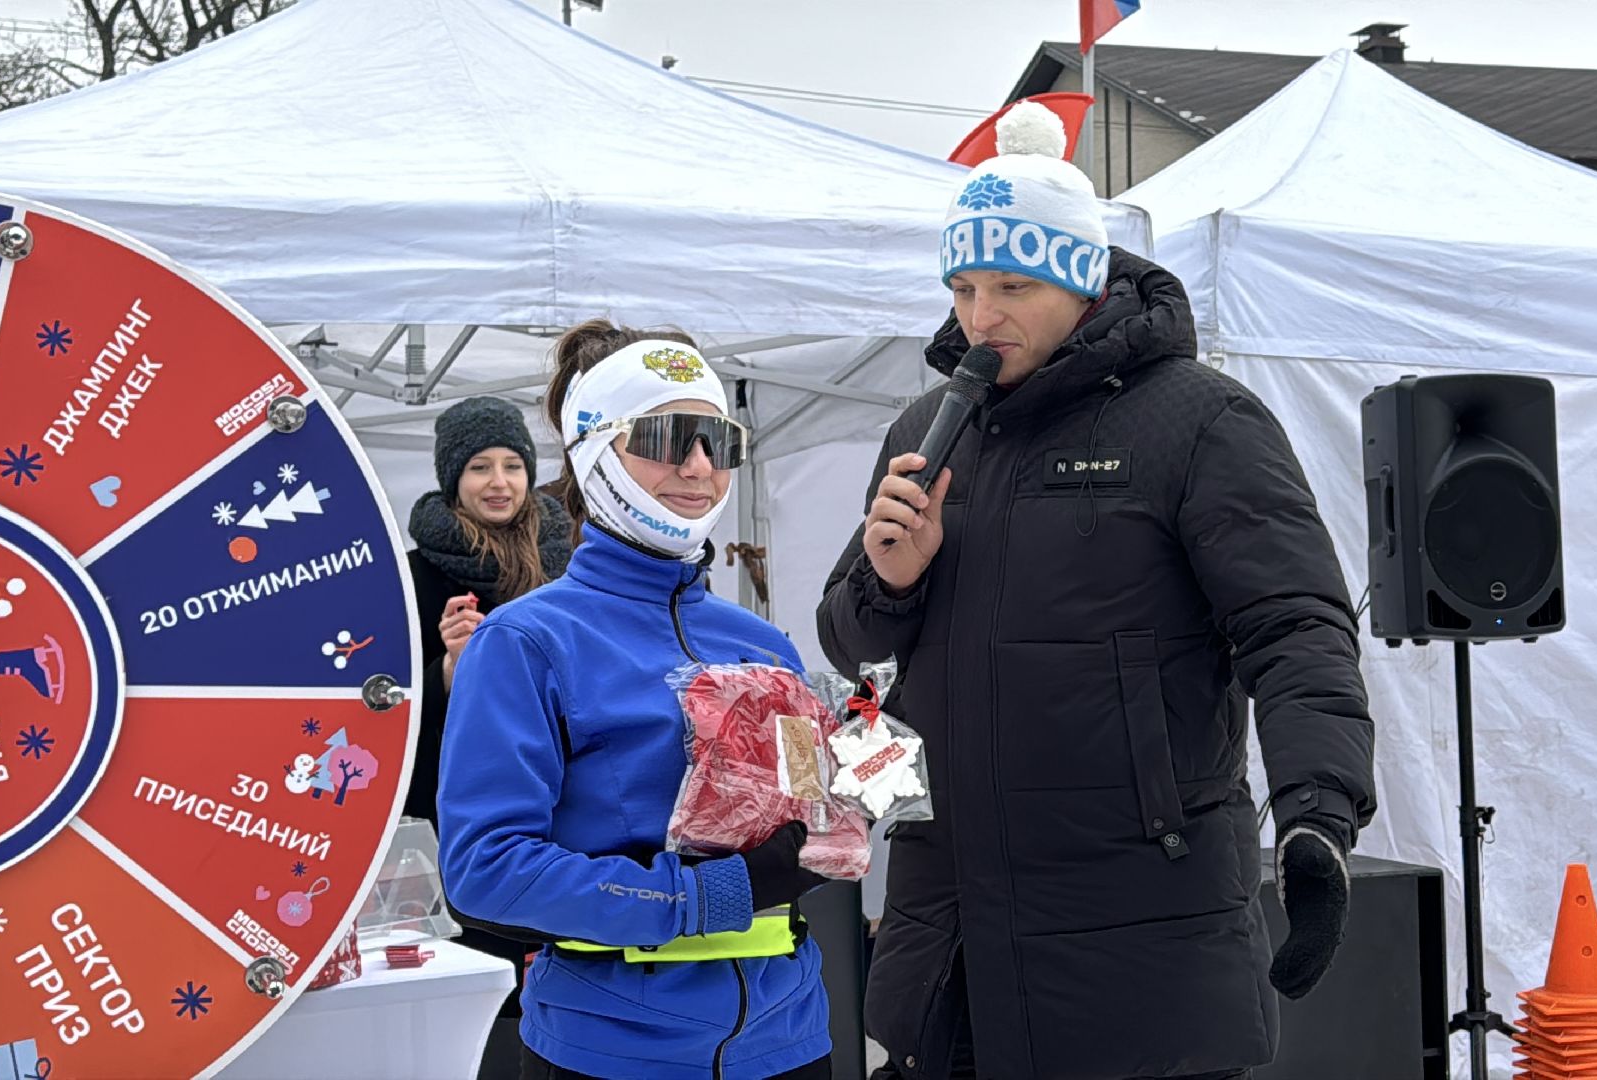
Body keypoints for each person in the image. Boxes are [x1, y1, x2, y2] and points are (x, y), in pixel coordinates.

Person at [816, 102, 1377, 1080]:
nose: (978, 317)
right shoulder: (927, 423)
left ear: (1083, 276)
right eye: (961, 287)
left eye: (1012, 285)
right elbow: (849, 640)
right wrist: (891, 580)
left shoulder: (1201, 420)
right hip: (950, 949)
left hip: (1140, 951)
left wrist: (1315, 814)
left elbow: (1295, 627)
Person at [436, 322, 832, 1080]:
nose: (697, 466)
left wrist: (847, 809)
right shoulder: (526, 642)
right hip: (614, 1050)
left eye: (718, 441)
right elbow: (485, 869)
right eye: (664, 437)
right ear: (595, 450)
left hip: (791, 1040)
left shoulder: (763, 644)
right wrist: (706, 896)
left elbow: (810, 819)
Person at [406, 395, 576, 1077]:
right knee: (478, 987)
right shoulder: (415, 574)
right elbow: (387, 713)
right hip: (460, 818)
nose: (499, 482)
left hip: (559, 805)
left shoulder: (567, 567)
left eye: (512, 464)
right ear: (453, 479)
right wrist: (448, 669)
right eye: (480, 467)